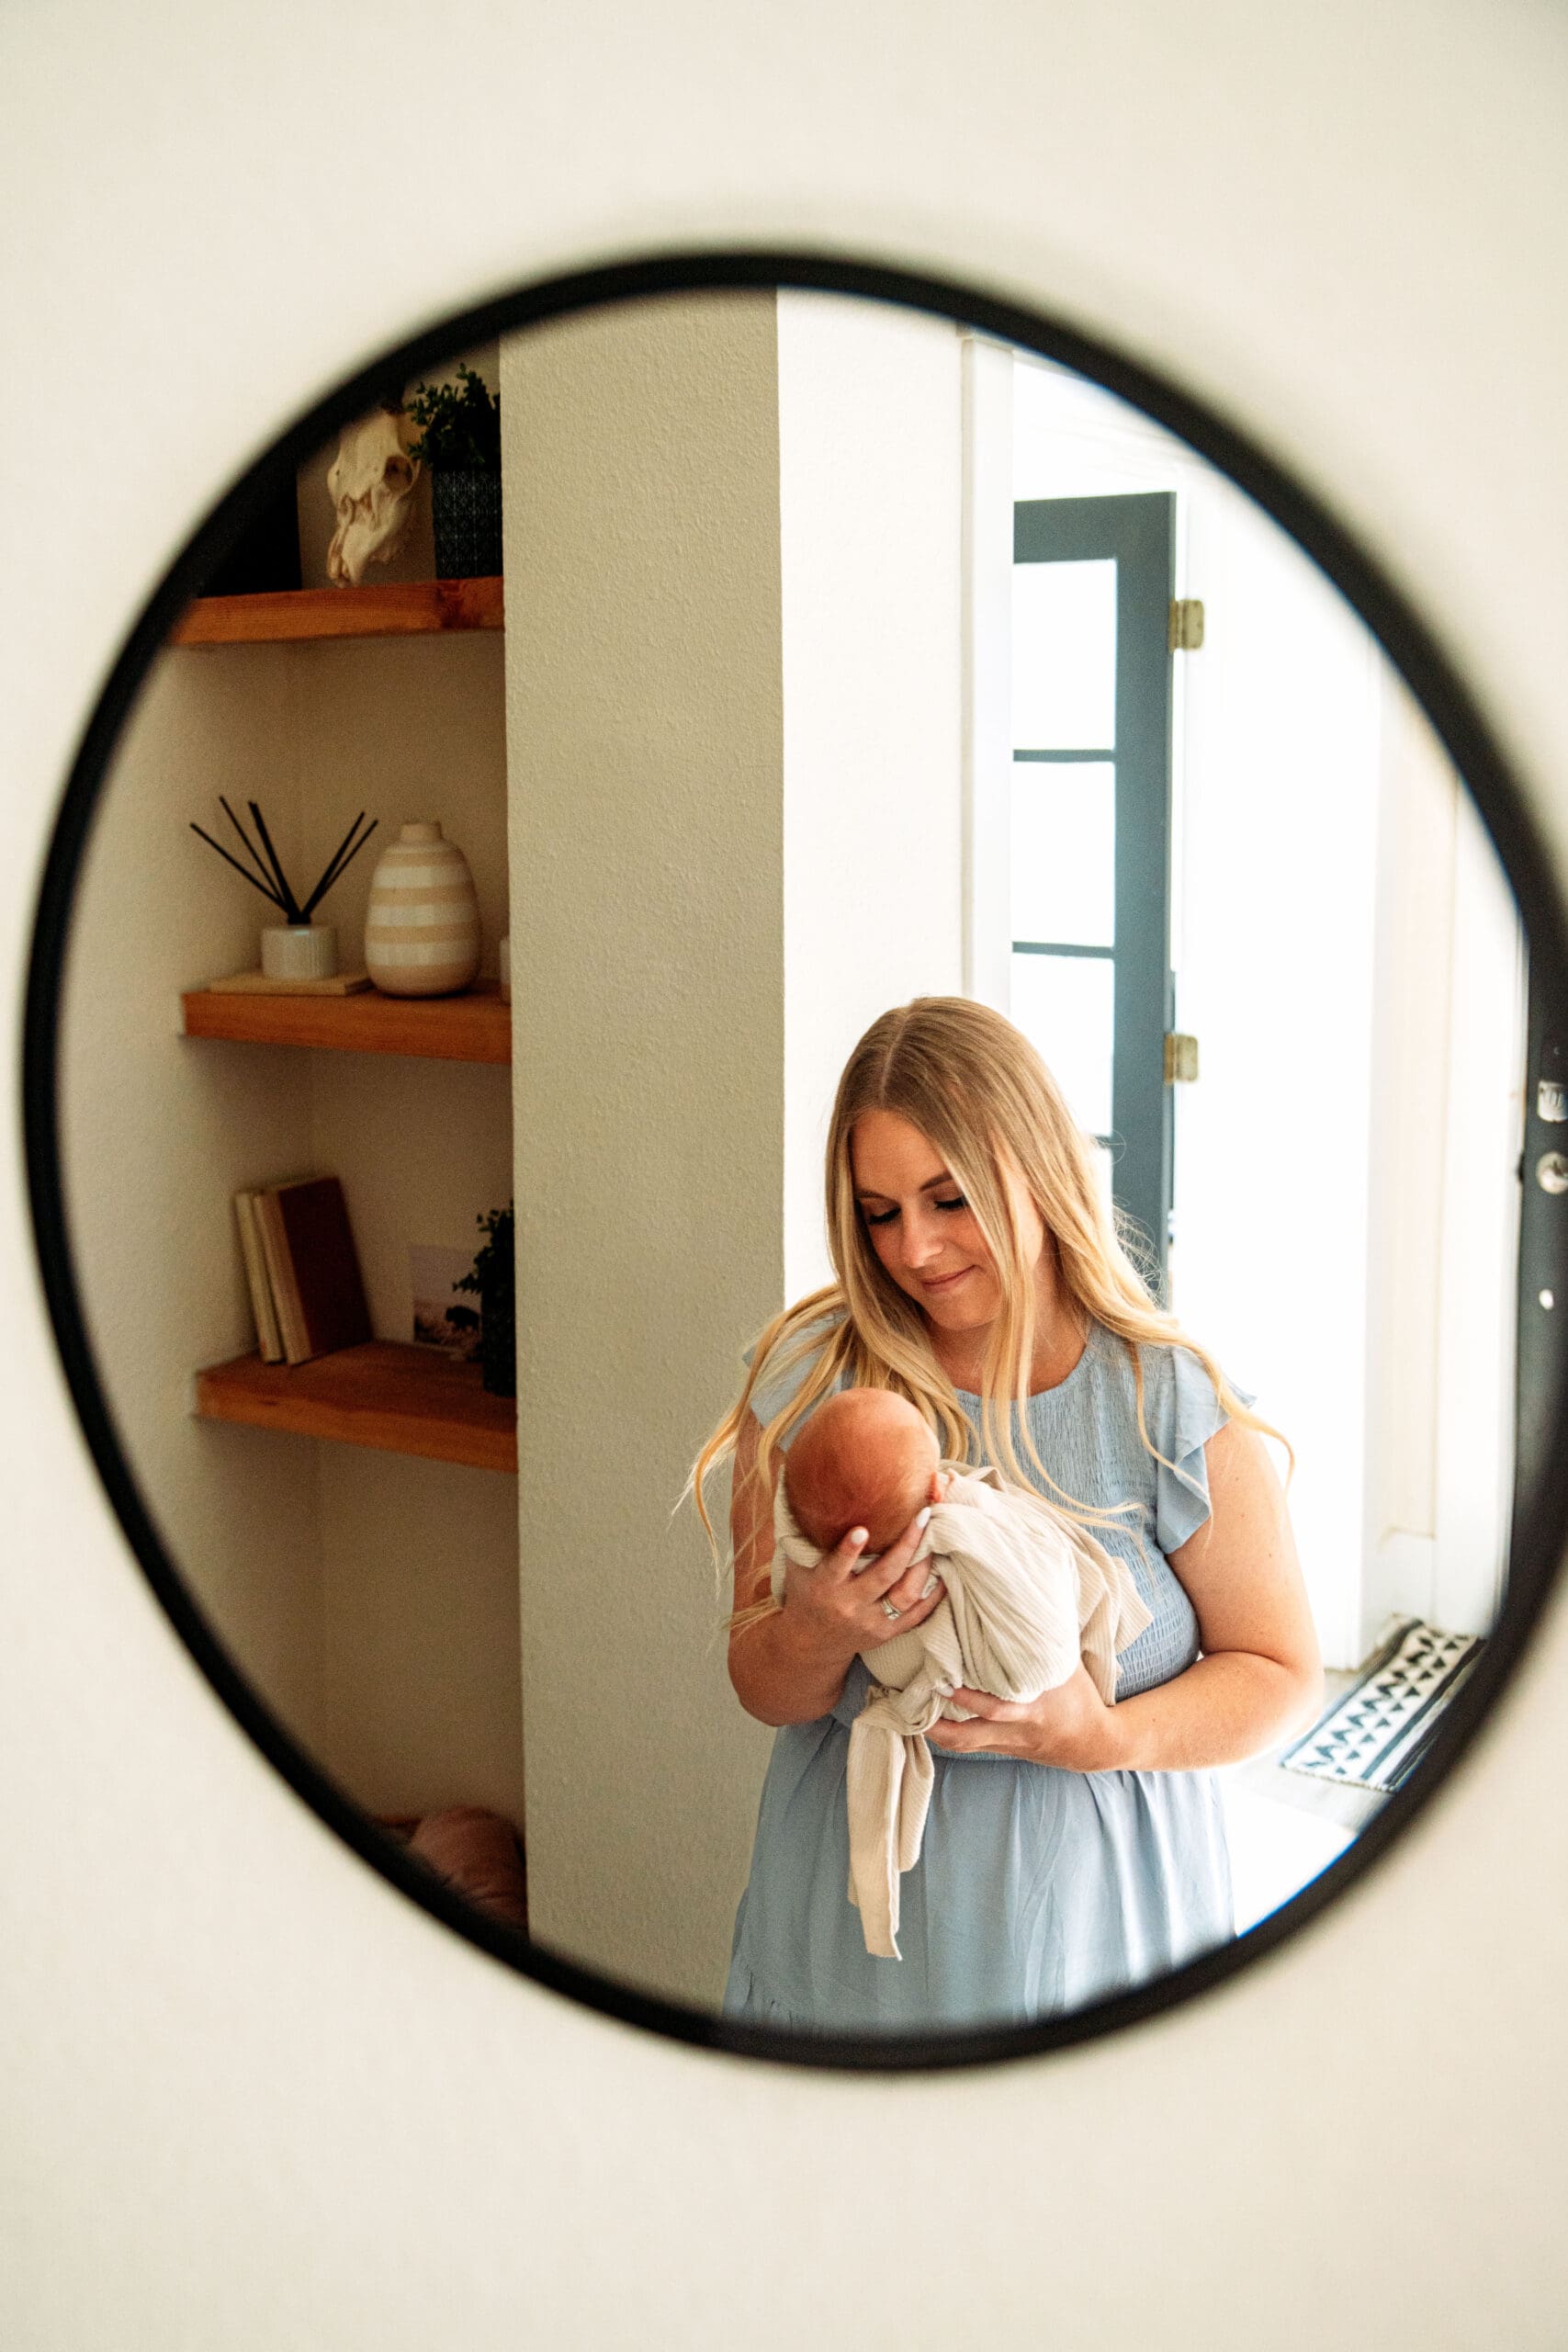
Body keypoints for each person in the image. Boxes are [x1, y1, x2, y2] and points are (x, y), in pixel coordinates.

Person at [694, 996, 1323, 2034]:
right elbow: (762, 1686)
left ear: (1035, 1166)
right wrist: (816, 1629)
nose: (916, 1248)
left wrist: (1100, 1736)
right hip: (850, 1935)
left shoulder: (1166, 1399)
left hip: (1103, 1920)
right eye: (879, 1212)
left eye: (948, 1199)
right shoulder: (813, 1381)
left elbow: (1279, 1671)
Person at [776, 1386, 1153, 1962]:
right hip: (969, 1678)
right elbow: (1040, 1662)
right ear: (936, 1491)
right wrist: (823, 1633)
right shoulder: (950, 1515)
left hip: (1088, 1863)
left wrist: (1098, 1737)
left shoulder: (1166, 1385)